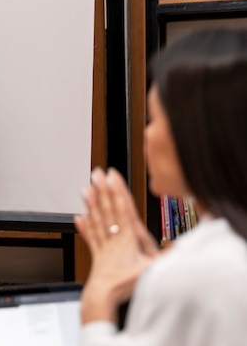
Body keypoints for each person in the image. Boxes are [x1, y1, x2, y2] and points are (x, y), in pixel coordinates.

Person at [74, 27, 247, 345]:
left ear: (194, 135)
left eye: (152, 120)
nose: (147, 135)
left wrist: (98, 301)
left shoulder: (194, 271)